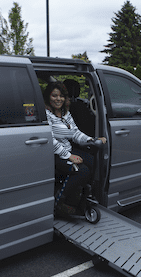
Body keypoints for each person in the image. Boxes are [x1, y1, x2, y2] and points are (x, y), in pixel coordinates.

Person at [43, 81, 106, 216]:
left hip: (66, 149)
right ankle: (58, 203)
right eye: (54, 96)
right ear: (48, 97)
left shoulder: (65, 113)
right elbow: (50, 140)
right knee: (82, 170)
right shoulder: (46, 114)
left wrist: (91, 140)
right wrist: (69, 156)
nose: (58, 99)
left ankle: (80, 199)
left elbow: (75, 133)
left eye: (61, 96)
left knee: (92, 160)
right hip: (52, 153)